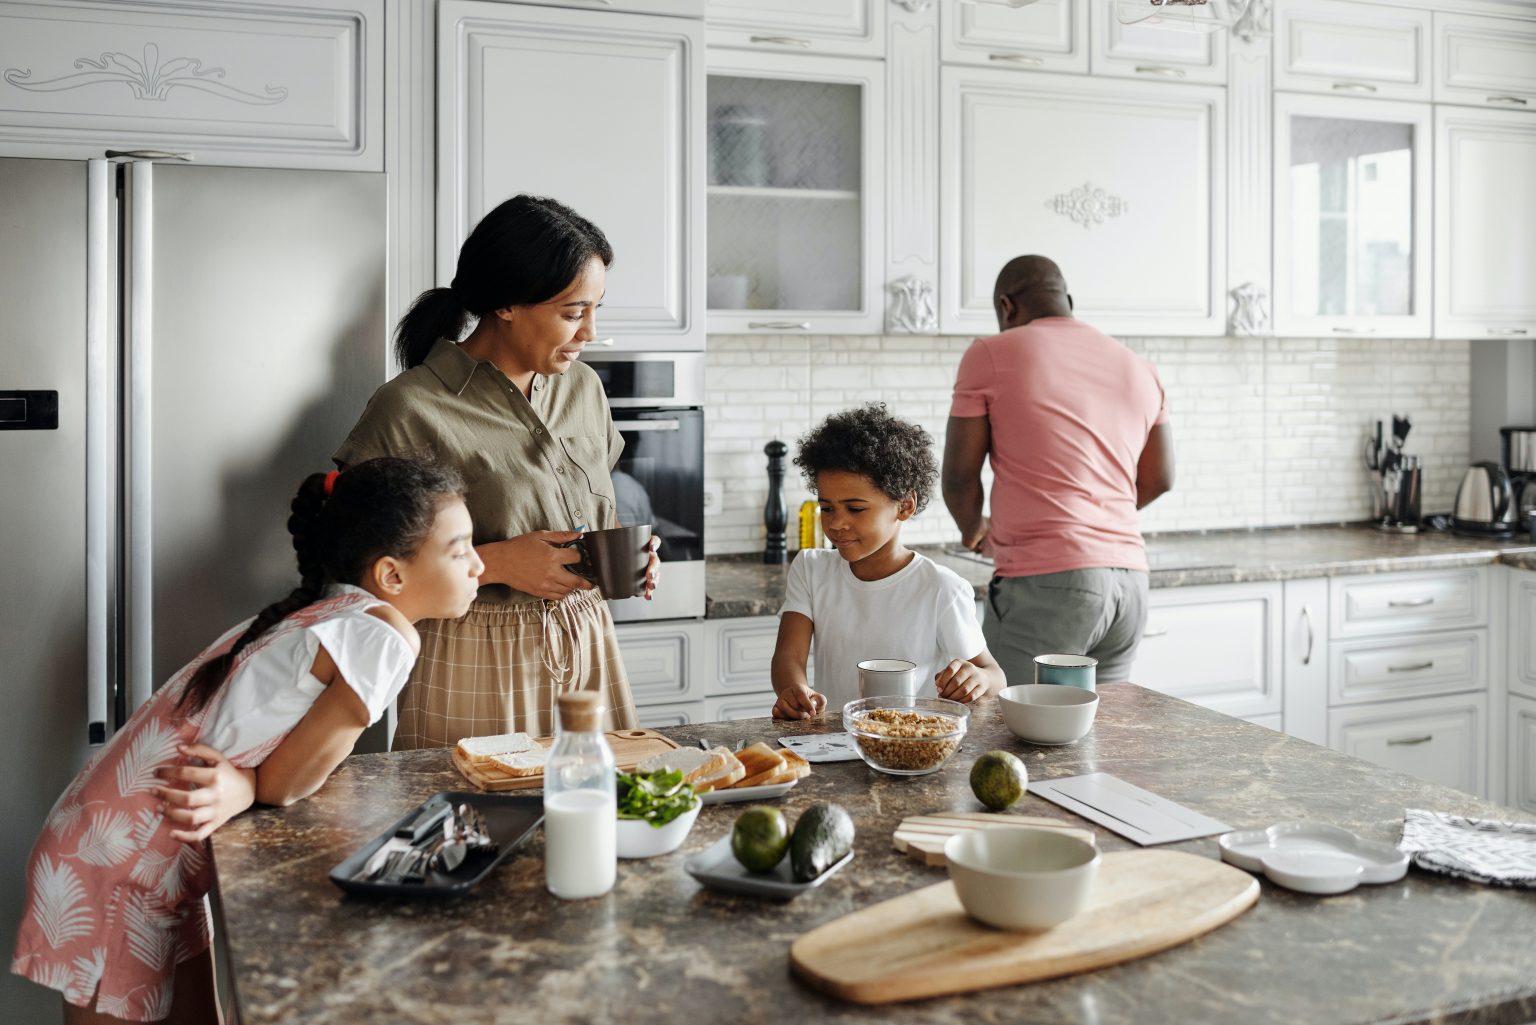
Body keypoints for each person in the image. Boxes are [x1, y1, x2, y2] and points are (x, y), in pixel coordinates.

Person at [11, 457, 481, 1024]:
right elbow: (286, 784)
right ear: (392, 576)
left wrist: (245, 783)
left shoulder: (333, 608)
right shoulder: (382, 636)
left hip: (123, 843)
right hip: (118, 864)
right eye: (460, 550)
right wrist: (252, 783)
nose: (479, 565)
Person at [334, 195, 657, 747]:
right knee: (477, 824)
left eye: (595, 310)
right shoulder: (411, 407)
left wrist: (627, 557)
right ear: (506, 304)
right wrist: (496, 563)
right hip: (471, 653)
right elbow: (356, 571)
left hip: (589, 641)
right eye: (573, 313)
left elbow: (591, 505)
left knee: (600, 817)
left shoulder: (584, 390)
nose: (591, 333)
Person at [942, 255, 1174, 686]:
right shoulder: (1139, 367)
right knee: (1102, 733)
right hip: (1130, 585)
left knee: (1007, 729)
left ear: (1006, 307)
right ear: (1067, 299)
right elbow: (1161, 478)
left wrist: (973, 529)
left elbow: (958, 476)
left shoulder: (991, 353)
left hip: (1048, 582)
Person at [770, 404, 1007, 719]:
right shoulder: (811, 569)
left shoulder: (941, 588)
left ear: (904, 507)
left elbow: (994, 674)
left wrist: (977, 679)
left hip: (911, 744)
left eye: (855, 509)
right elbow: (788, 656)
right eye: (827, 508)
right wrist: (793, 689)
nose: (837, 523)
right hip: (836, 740)